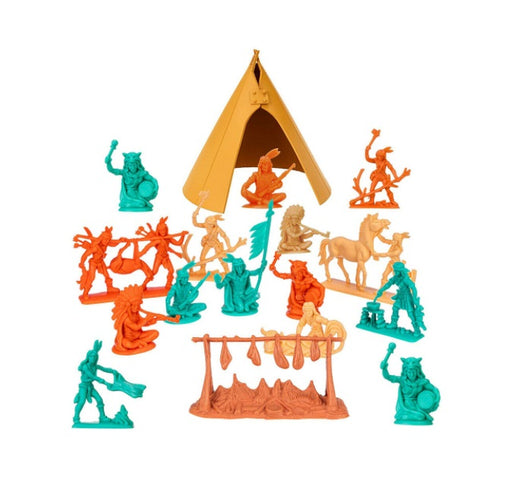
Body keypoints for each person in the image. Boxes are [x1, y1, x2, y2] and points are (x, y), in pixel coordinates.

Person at [381, 345, 440, 425]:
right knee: (420, 417)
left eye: (413, 372)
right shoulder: (402, 380)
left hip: (417, 406)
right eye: (409, 372)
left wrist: (436, 399)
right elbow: (388, 377)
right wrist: (384, 369)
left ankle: (417, 414)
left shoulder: (422, 382)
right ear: (405, 372)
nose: (411, 374)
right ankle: (405, 415)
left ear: (417, 371)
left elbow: (434, 389)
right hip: (405, 407)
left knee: (421, 416)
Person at [105, 140, 159, 211]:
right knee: (141, 204)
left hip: (138, 194)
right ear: (127, 165)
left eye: (134, 164)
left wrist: (155, 187)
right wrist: (108, 163)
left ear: (138, 164)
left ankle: (138, 202)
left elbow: (152, 179)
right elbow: (112, 170)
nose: (132, 167)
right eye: (130, 165)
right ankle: (128, 203)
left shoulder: (141, 173)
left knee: (142, 204)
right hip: (127, 196)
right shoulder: (125, 173)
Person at [365, 129, 399, 205]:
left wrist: (395, 176)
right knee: (372, 189)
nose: (379, 157)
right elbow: (367, 159)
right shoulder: (376, 160)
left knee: (387, 189)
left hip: (383, 177)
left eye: (381, 156)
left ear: (383, 156)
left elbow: (392, 169)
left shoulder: (386, 162)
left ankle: (392, 200)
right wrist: (366, 151)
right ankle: (371, 201)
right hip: (376, 176)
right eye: (378, 156)